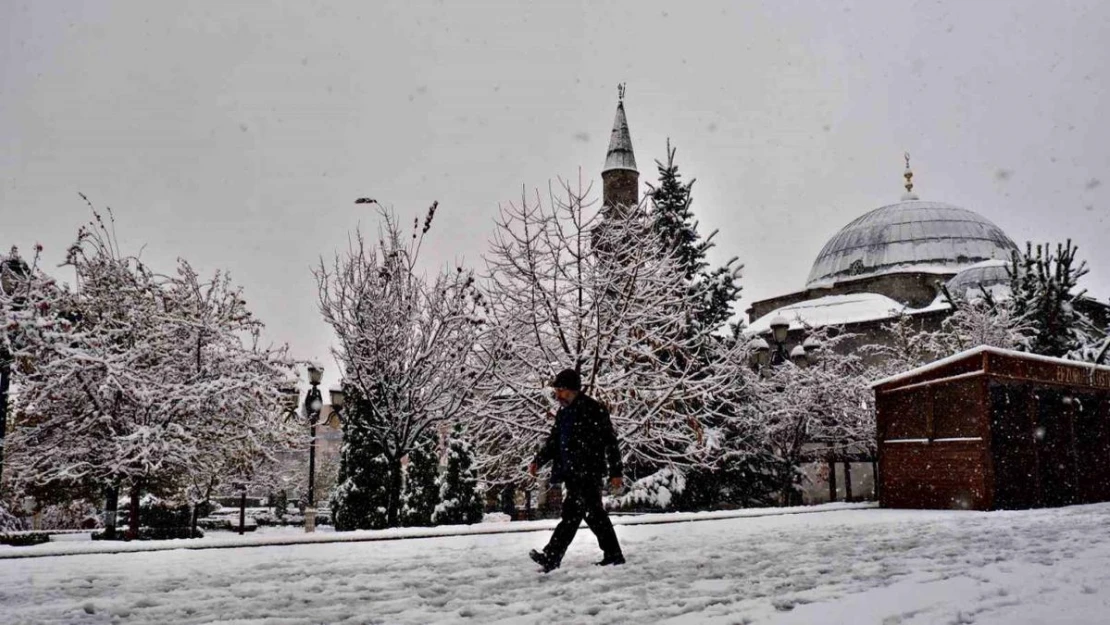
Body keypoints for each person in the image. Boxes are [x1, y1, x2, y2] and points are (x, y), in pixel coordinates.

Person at [528, 368, 625, 573]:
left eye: (561, 390)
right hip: (571, 473)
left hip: (588, 472)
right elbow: (554, 442)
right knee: (593, 514)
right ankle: (613, 554)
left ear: (572, 390)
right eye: (557, 390)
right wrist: (538, 461)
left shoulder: (594, 410)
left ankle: (552, 557)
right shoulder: (563, 414)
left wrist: (616, 472)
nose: (558, 395)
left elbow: (611, 442)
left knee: (573, 515)